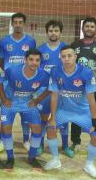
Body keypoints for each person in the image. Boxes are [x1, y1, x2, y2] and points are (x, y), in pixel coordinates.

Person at [43, 45, 96, 179]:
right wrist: (52, 116)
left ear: (75, 57)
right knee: (50, 128)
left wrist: (95, 121)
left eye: (69, 56)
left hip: (82, 112)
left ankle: (89, 164)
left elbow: (92, 99)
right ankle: (55, 160)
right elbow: (54, 96)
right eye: (63, 56)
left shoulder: (85, 72)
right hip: (63, 110)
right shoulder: (55, 71)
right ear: (60, 58)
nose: (67, 59)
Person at [0, 49, 49, 170]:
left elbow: (49, 89)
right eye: (31, 59)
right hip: (10, 102)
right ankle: (10, 158)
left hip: (28, 103)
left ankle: (31, 158)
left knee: (37, 129)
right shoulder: (13, 70)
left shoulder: (44, 74)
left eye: (37, 60)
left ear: (40, 62)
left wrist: (37, 100)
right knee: (6, 129)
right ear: (25, 60)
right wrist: (4, 99)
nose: (34, 63)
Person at [70, 16, 96, 153]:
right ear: (83, 28)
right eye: (87, 26)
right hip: (78, 88)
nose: (89, 28)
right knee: (77, 115)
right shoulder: (74, 45)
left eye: (92, 26)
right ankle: (75, 142)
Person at [0, 13, 36, 150]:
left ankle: (26, 140)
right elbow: (1, 61)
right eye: (16, 22)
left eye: (21, 22)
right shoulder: (4, 41)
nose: (18, 24)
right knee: (6, 111)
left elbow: (33, 61)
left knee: (25, 111)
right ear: (12, 24)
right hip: (9, 84)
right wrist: (9, 75)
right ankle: (3, 139)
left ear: (24, 24)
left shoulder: (31, 41)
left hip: (26, 83)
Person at [36, 20, 73, 157]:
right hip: (44, 90)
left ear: (60, 33)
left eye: (56, 30)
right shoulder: (40, 49)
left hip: (62, 90)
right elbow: (37, 71)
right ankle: (40, 144)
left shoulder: (66, 49)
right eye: (51, 30)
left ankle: (65, 146)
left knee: (63, 118)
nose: (53, 33)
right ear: (47, 32)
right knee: (43, 118)